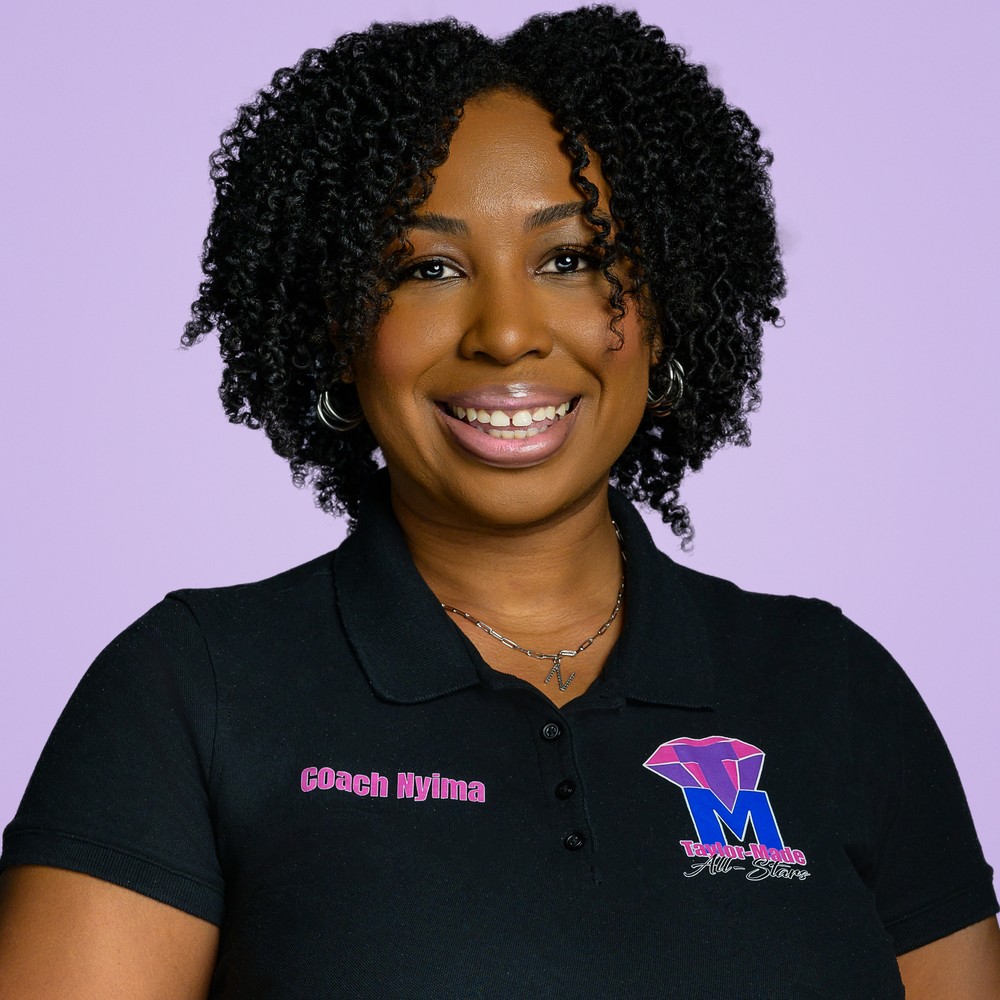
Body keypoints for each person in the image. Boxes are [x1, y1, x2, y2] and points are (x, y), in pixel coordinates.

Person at [1, 6, 998, 997]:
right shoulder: (194, 695)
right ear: (337, 328)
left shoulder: (835, 690)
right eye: (427, 268)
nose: (507, 332)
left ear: (664, 310)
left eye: (570, 259)